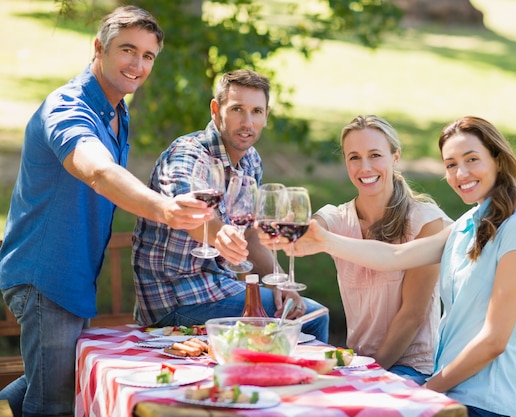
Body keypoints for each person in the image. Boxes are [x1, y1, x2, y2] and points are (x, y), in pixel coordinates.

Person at [0, 6, 215, 417]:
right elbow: (98, 171)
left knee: (54, 377)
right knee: (54, 403)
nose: (137, 64)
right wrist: (166, 209)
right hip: (46, 278)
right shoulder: (67, 108)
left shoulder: (117, 110)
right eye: (127, 50)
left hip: (74, 280)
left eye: (148, 56)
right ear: (98, 48)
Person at [262, 116, 516, 417]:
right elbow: (396, 257)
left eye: (472, 159)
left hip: (486, 402)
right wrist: (323, 241)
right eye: (451, 164)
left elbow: (493, 340)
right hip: (451, 395)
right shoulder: (468, 225)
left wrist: (425, 392)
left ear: (498, 160)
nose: (460, 173)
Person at [131, 69, 329, 343]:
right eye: (237, 109)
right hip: (177, 299)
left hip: (221, 288)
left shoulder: (251, 161)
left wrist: (279, 281)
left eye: (256, 112)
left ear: (266, 115)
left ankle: (270, 382)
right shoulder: (188, 154)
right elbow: (191, 217)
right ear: (216, 110)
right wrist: (219, 233)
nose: (247, 122)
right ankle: (298, 382)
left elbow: (250, 235)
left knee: (302, 311)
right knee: (312, 318)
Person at [313, 115, 451, 384]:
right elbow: (306, 230)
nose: (365, 167)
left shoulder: (425, 221)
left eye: (375, 155)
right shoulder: (339, 218)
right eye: (354, 157)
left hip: (413, 368)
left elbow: (413, 315)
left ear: (395, 157)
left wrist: (367, 375)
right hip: (359, 362)